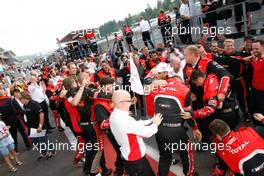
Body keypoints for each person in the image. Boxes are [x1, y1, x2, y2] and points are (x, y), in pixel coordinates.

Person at [146, 74, 202, 176]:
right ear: (179, 81)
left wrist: (152, 84)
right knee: (186, 152)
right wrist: (195, 128)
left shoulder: (157, 87)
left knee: (165, 156)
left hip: (159, 128)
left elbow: (144, 94)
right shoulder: (184, 89)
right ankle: (189, 173)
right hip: (176, 129)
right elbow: (188, 113)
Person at [110, 89, 163, 176]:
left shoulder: (115, 115)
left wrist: (150, 120)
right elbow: (147, 133)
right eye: (129, 100)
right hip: (136, 160)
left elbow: (134, 125)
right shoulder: (124, 120)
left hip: (130, 158)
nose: (131, 102)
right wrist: (155, 124)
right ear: (121, 103)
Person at [190, 69, 239, 143]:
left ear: (200, 78)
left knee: (225, 136)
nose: (197, 85)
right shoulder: (211, 75)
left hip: (226, 113)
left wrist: (192, 114)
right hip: (232, 106)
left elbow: (210, 110)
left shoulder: (210, 88)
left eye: (196, 83)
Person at [214, 39, 250, 122]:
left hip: (239, 81)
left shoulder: (240, 54)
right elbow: (226, 60)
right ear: (224, 47)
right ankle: (234, 115)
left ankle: (245, 113)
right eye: (227, 46)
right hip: (227, 82)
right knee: (230, 100)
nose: (229, 47)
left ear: (234, 46)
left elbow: (251, 55)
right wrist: (242, 59)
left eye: (231, 45)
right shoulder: (220, 57)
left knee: (242, 99)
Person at [20, 91, 56, 160]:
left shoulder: (34, 104)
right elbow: (26, 117)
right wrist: (27, 127)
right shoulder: (24, 106)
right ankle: (43, 152)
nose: (20, 101)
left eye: (21, 99)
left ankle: (52, 151)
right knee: (36, 142)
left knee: (44, 140)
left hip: (39, 126)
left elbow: (41, 114)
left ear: (25, 98)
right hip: (31, 128)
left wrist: (40, 126)